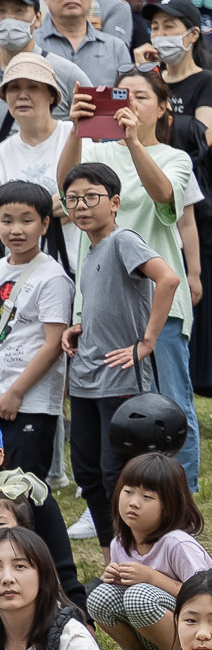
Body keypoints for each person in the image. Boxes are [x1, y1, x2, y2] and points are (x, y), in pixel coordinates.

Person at [59, 164, 180, 517]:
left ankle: (132, 559)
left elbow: (168, 280)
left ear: (114, 203)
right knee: (88, 475)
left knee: (118, 476)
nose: (81, 206)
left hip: (120, 379)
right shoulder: (91, 251)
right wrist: (81, 327)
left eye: (91, 197)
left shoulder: (123, 240)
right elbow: (108, 302)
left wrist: (147, 341)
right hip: (85, 381)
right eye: (73, 199)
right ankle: (109, 559)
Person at [0, 180, 81, 582]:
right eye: (7, 220)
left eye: (26, 220)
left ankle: (40, 575)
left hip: (29, 403)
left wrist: (15, 392)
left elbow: (53, 345)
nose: (16, 229)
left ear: (45, 224)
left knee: (23, 495)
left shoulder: (52, 277)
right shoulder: (0, 270)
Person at [86, 453, 211, 650]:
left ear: (169, 505)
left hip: (195, 630)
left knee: (139, 596)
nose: (133, 503)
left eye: (147, 497)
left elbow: (208, 596)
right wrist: (116, 579)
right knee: (100, 596)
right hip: (149, 631)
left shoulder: (177, 543)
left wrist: (151, 578)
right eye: (128, 492)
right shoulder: (119, 543)